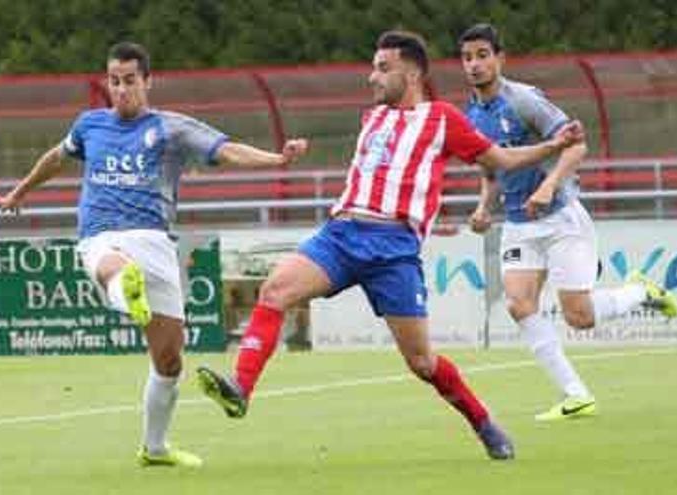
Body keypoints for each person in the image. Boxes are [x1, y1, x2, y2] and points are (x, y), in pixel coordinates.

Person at [196, 30, 587, 461]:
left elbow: (502, 160)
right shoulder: (373, 118)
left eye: (383, 69)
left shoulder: (443, 119)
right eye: (373, 67)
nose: (371, 77)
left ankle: (482, 421)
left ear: (413, 72)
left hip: (393, 248)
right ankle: (241, 387)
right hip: (341, 234)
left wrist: (553, 145)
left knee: (422, 363)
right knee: (275, 290)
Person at [0, 42, 308, 468]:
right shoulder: (90, 125)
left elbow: (227, 149)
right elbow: (56, 158)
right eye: (113, 81)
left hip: (155, 241)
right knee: (114, 267)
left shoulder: (171, 129)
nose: (121, 90)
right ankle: (125, 288)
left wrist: (278, 159)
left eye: (129, 81)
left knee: (169, 357)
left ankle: (155, 448)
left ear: (147, 82)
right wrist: (21, 191)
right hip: (102, 235)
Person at [458, 23, 677, 421]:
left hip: (561, 216)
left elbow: (576, 145)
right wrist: (483, 207)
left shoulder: (524, 100)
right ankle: (575, 394)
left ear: (499, 58)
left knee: (579, 317)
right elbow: (492, 169)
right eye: (467, 57)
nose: (474, 64)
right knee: (518, 303)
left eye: (482, 55)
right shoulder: (471, 112)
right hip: (517, 223)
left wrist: (548, 186)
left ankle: (641, 291)